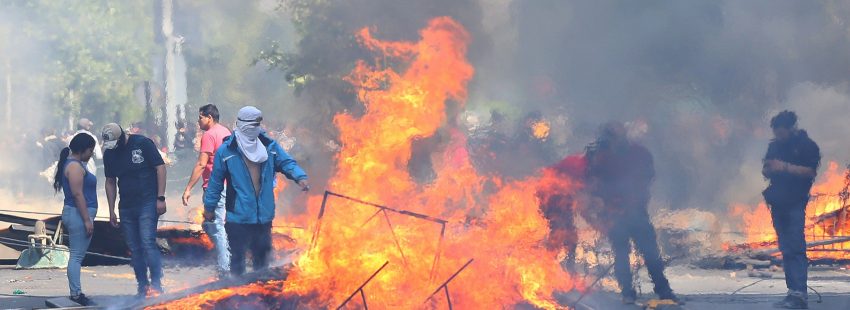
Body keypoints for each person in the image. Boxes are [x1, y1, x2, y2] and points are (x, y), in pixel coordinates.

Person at [204, 106, 309, 276]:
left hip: (263, 217)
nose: (254, 128)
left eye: (257, 124)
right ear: (240, 124)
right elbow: (215, 182)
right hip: (238, 217)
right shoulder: (226, 151)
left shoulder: (270, 147)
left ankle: (261, 299)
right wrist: (209, 208)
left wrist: (300, 177)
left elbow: (287, 163)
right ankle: (236, 297)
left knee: (262, 262)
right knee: (237, 262)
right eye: (251, 124)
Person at [584, 122, 679, 304]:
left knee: (650, 253)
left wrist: (632, 199)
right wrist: (608, 204)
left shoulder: (639, 154)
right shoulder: (601, 156)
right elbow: (594, 183)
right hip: (614, 214)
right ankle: (627, 292)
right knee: (621, 253)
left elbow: (647, 177)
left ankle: (663, 290)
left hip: (636, 212)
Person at [101, 123, 168, 298]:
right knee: (134, 248)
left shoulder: (142, 144)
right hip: (126, 206)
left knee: (147, 243)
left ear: (122, 136)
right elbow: (110, 181)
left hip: (147, 202)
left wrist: (160, 197)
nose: (113, 148)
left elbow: (160, 168)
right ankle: (142, 286)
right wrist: (111, 210)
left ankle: (156, 284)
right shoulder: (109, 153)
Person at [762, 111, 820, 309]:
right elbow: (766, 168)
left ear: (791, 128)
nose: (779, 137)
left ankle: (800, 294)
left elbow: (810, 171)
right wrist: (769, 168)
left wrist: (784, 167)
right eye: (776, 133)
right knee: (786, 248)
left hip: (795, 201)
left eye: (782, 133)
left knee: (795, 246)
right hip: (778, 201)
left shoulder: (807, 146)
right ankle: (792, 292)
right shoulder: (774, 146)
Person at [182, 104, 232, 276]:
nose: (198, 121)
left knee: (216, 226)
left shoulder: (209, 135)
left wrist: (188, 188)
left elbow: (202, 164)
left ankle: (225, 267)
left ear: (209, 117)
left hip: (214, 187)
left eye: (200, 117)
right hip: (228, 185)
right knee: (212, 224)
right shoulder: (226, 132)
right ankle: (226, 259)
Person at [54, 133, 98, 306]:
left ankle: (76, 292)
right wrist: (87, 220)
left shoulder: (76, 164)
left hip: (78, 213)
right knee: (77, 256)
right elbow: (77, 194)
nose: (91, 154)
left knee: (77, 255)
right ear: (82, 149)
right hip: (78, 214)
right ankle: (76, 293)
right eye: (90, 150)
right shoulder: (74, 167)